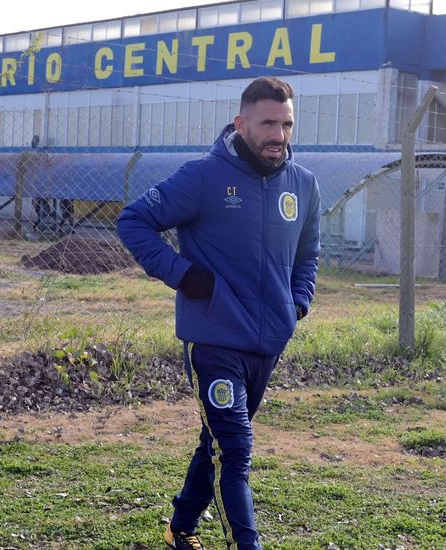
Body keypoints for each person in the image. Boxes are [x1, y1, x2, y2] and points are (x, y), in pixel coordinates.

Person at [117, 76, 320, 550]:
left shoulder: (303, 185)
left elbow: (308, 255)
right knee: (236, 451)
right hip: (213, 338)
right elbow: (134, 220)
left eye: (287, 124)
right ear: (241, 123)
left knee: (217, 445)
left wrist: (298, 301)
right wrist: (182, 274)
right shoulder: (203, 177)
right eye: (268, 123)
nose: (279, 134)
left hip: (269, 341)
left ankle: (180, 528)